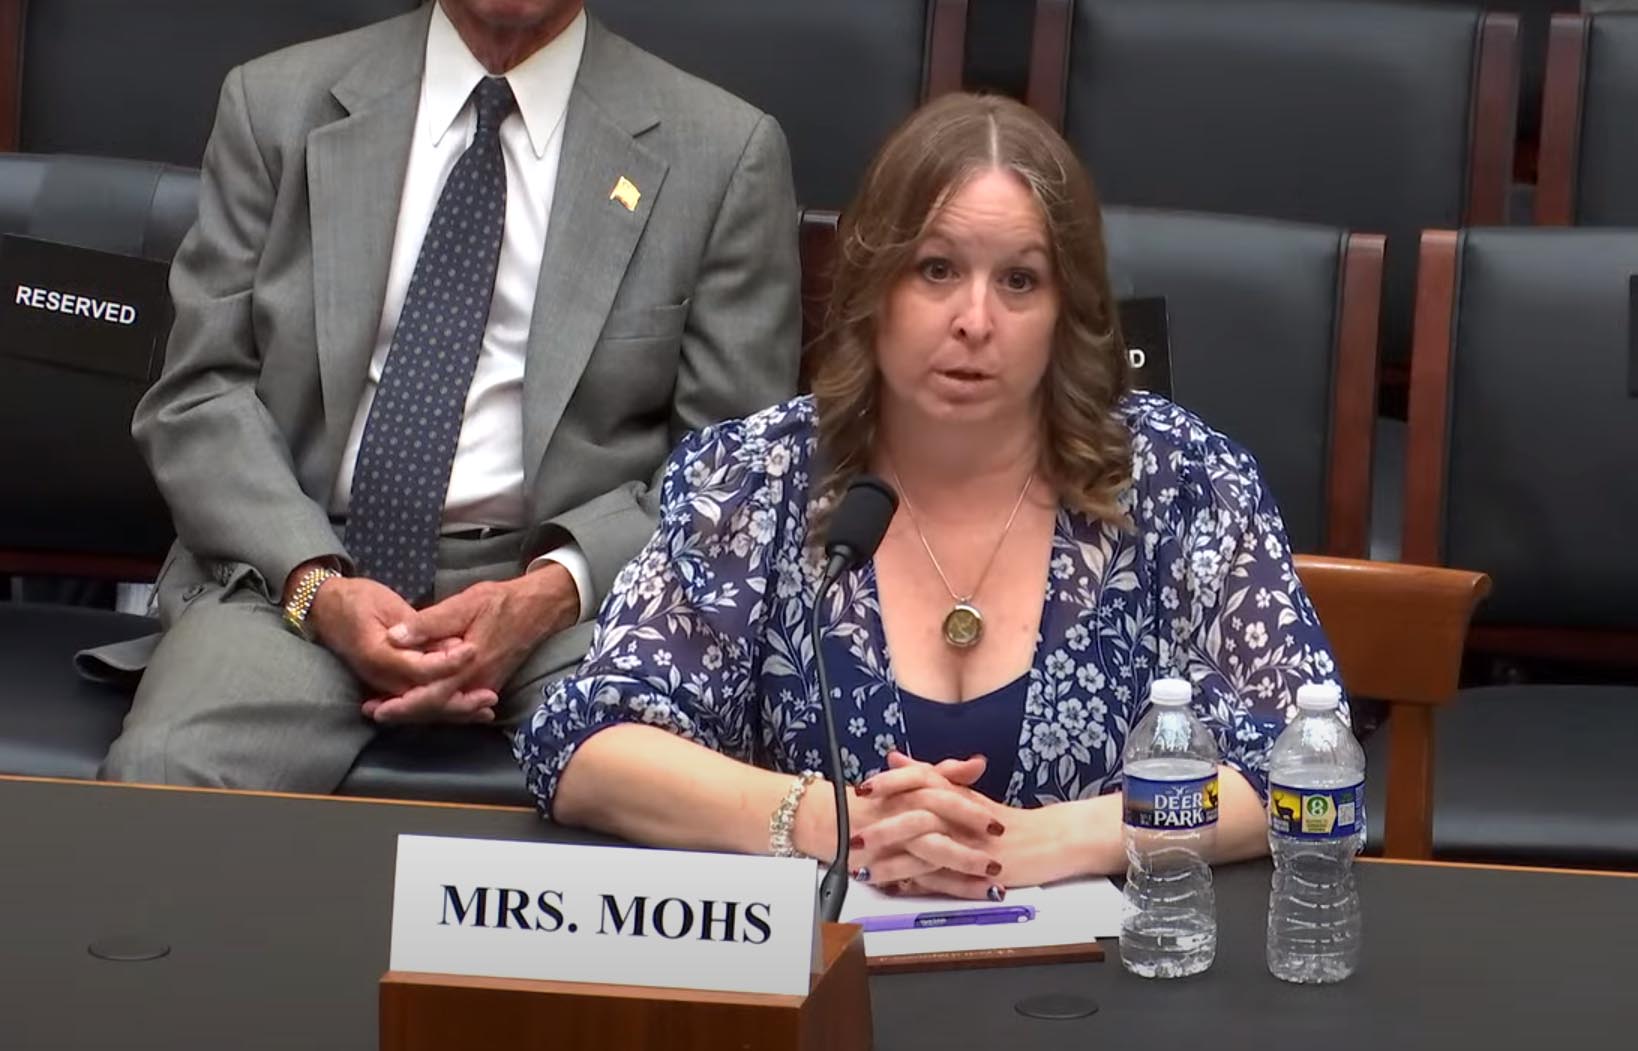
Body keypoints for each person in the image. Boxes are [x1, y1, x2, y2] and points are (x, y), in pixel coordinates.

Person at [517, 93, 1343, 900]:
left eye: (1020, 280)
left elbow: (1309, 765)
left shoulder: (1174, 476)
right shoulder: (757, 479)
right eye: (937, 269)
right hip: (824, 982)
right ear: (874, 286)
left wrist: (1040, 840)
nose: (974, 320)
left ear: (1068, 311)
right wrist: (831, 822)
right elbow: (587, 740)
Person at [89, 0, 800, 791]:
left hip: (581, 607)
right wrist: (318, 587)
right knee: (162, 777)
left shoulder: (724, 153)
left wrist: (553, 589)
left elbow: (735, 470)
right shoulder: (277, 104)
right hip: (297, 572)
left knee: (681, 797)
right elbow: (199, 393)